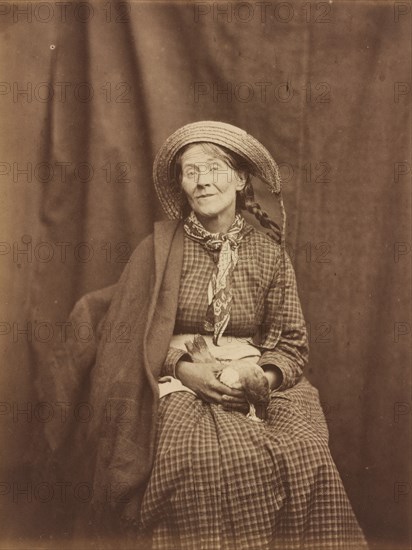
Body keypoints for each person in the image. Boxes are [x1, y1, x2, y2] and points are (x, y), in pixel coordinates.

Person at [43, 122, 367, 549]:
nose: (202, 181)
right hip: (170, 375)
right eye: (190, 171)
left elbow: (291, 344)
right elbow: (128, 335)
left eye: (214, 169)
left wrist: (260, 379)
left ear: (239, 180)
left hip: (253, 375)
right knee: (193, 457)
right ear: (181, 183)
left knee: (305, 451)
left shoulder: (270, 255)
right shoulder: (157, 248)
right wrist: (186, 371)